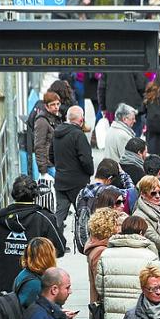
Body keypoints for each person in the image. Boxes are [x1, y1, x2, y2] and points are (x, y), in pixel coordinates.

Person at [0, 175, 65, 294]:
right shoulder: (44, 218)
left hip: (6, 288)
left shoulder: (0, 217)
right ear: (34, 194)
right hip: (37, 288)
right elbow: (59, 247)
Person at [53, 105, 95, 244]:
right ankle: (83, 241)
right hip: (78, 182)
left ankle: (57, 243)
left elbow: (50, 155)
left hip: (60, 180)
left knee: (60, 214)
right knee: (83, 213)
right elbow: (86, 160)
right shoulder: (78, 135)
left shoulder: (57, 133)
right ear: (81, 120)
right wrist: (89, 172)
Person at [33, 91, 62, 176]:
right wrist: (43, 171)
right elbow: (39, 146)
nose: (56, 107)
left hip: (56, 163)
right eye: (52, 105)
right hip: (49, 165)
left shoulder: (56, 117)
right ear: (46, 106)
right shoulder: (41, 121)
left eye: (58, 104)